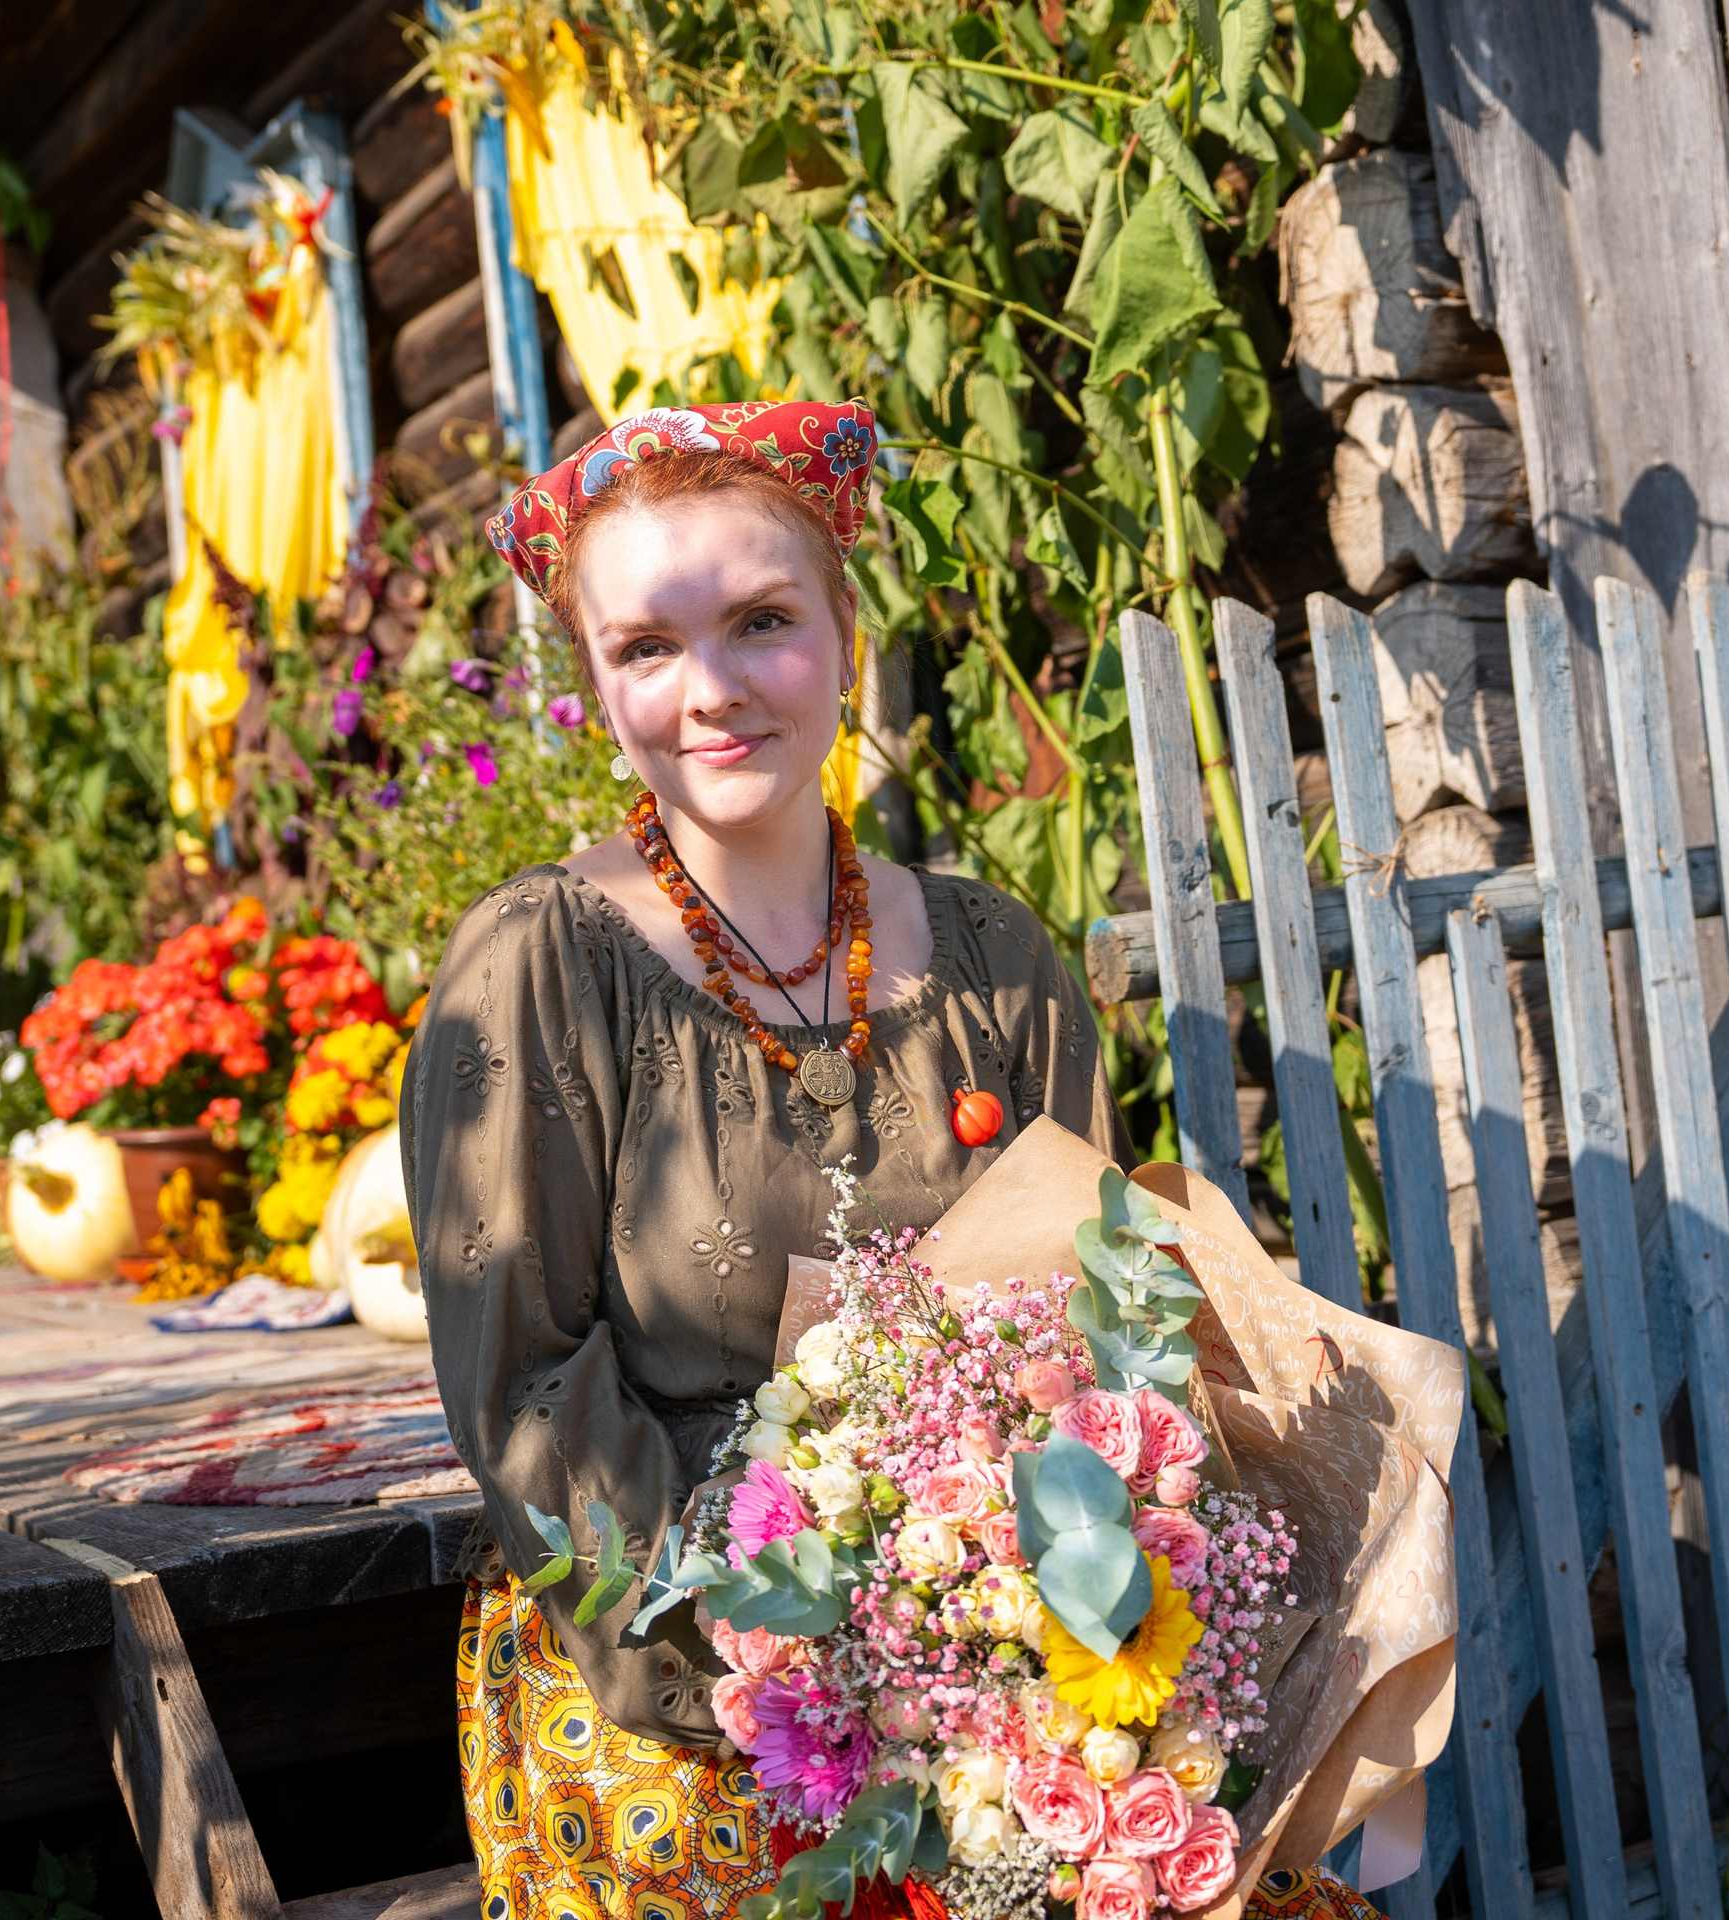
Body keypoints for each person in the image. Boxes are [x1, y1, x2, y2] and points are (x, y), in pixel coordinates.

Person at [400, 399, 1130, 1920]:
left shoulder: (996, 959)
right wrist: (787, 1664)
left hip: (992, 1643)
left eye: (761, 621)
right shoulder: (536, 970)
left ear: (845, 634)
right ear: (592, 684)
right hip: (676, 1666)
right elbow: (527, 1382)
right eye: (646, 648)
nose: (713, 692)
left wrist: (1018, 1628)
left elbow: (1106, 1326)